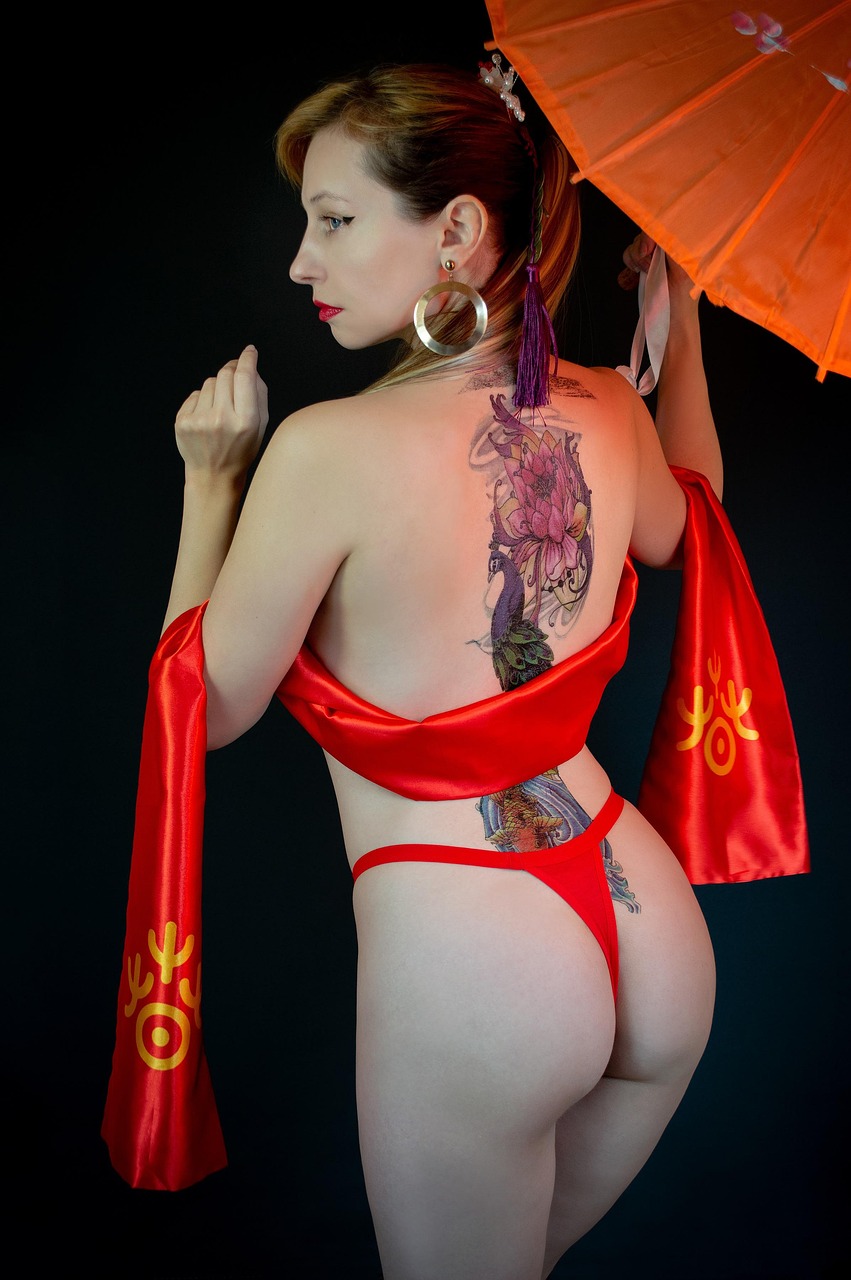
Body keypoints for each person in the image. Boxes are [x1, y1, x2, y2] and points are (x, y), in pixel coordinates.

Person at [103, 56, 807, 1278]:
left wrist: (209, 482)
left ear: (458, 230)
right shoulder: (608, 407)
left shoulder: (325, 449)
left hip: (477, 958)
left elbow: (200, 708)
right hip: (643, 920)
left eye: (333, 221)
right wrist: (680, 321)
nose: (301, 262)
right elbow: (691, 516)